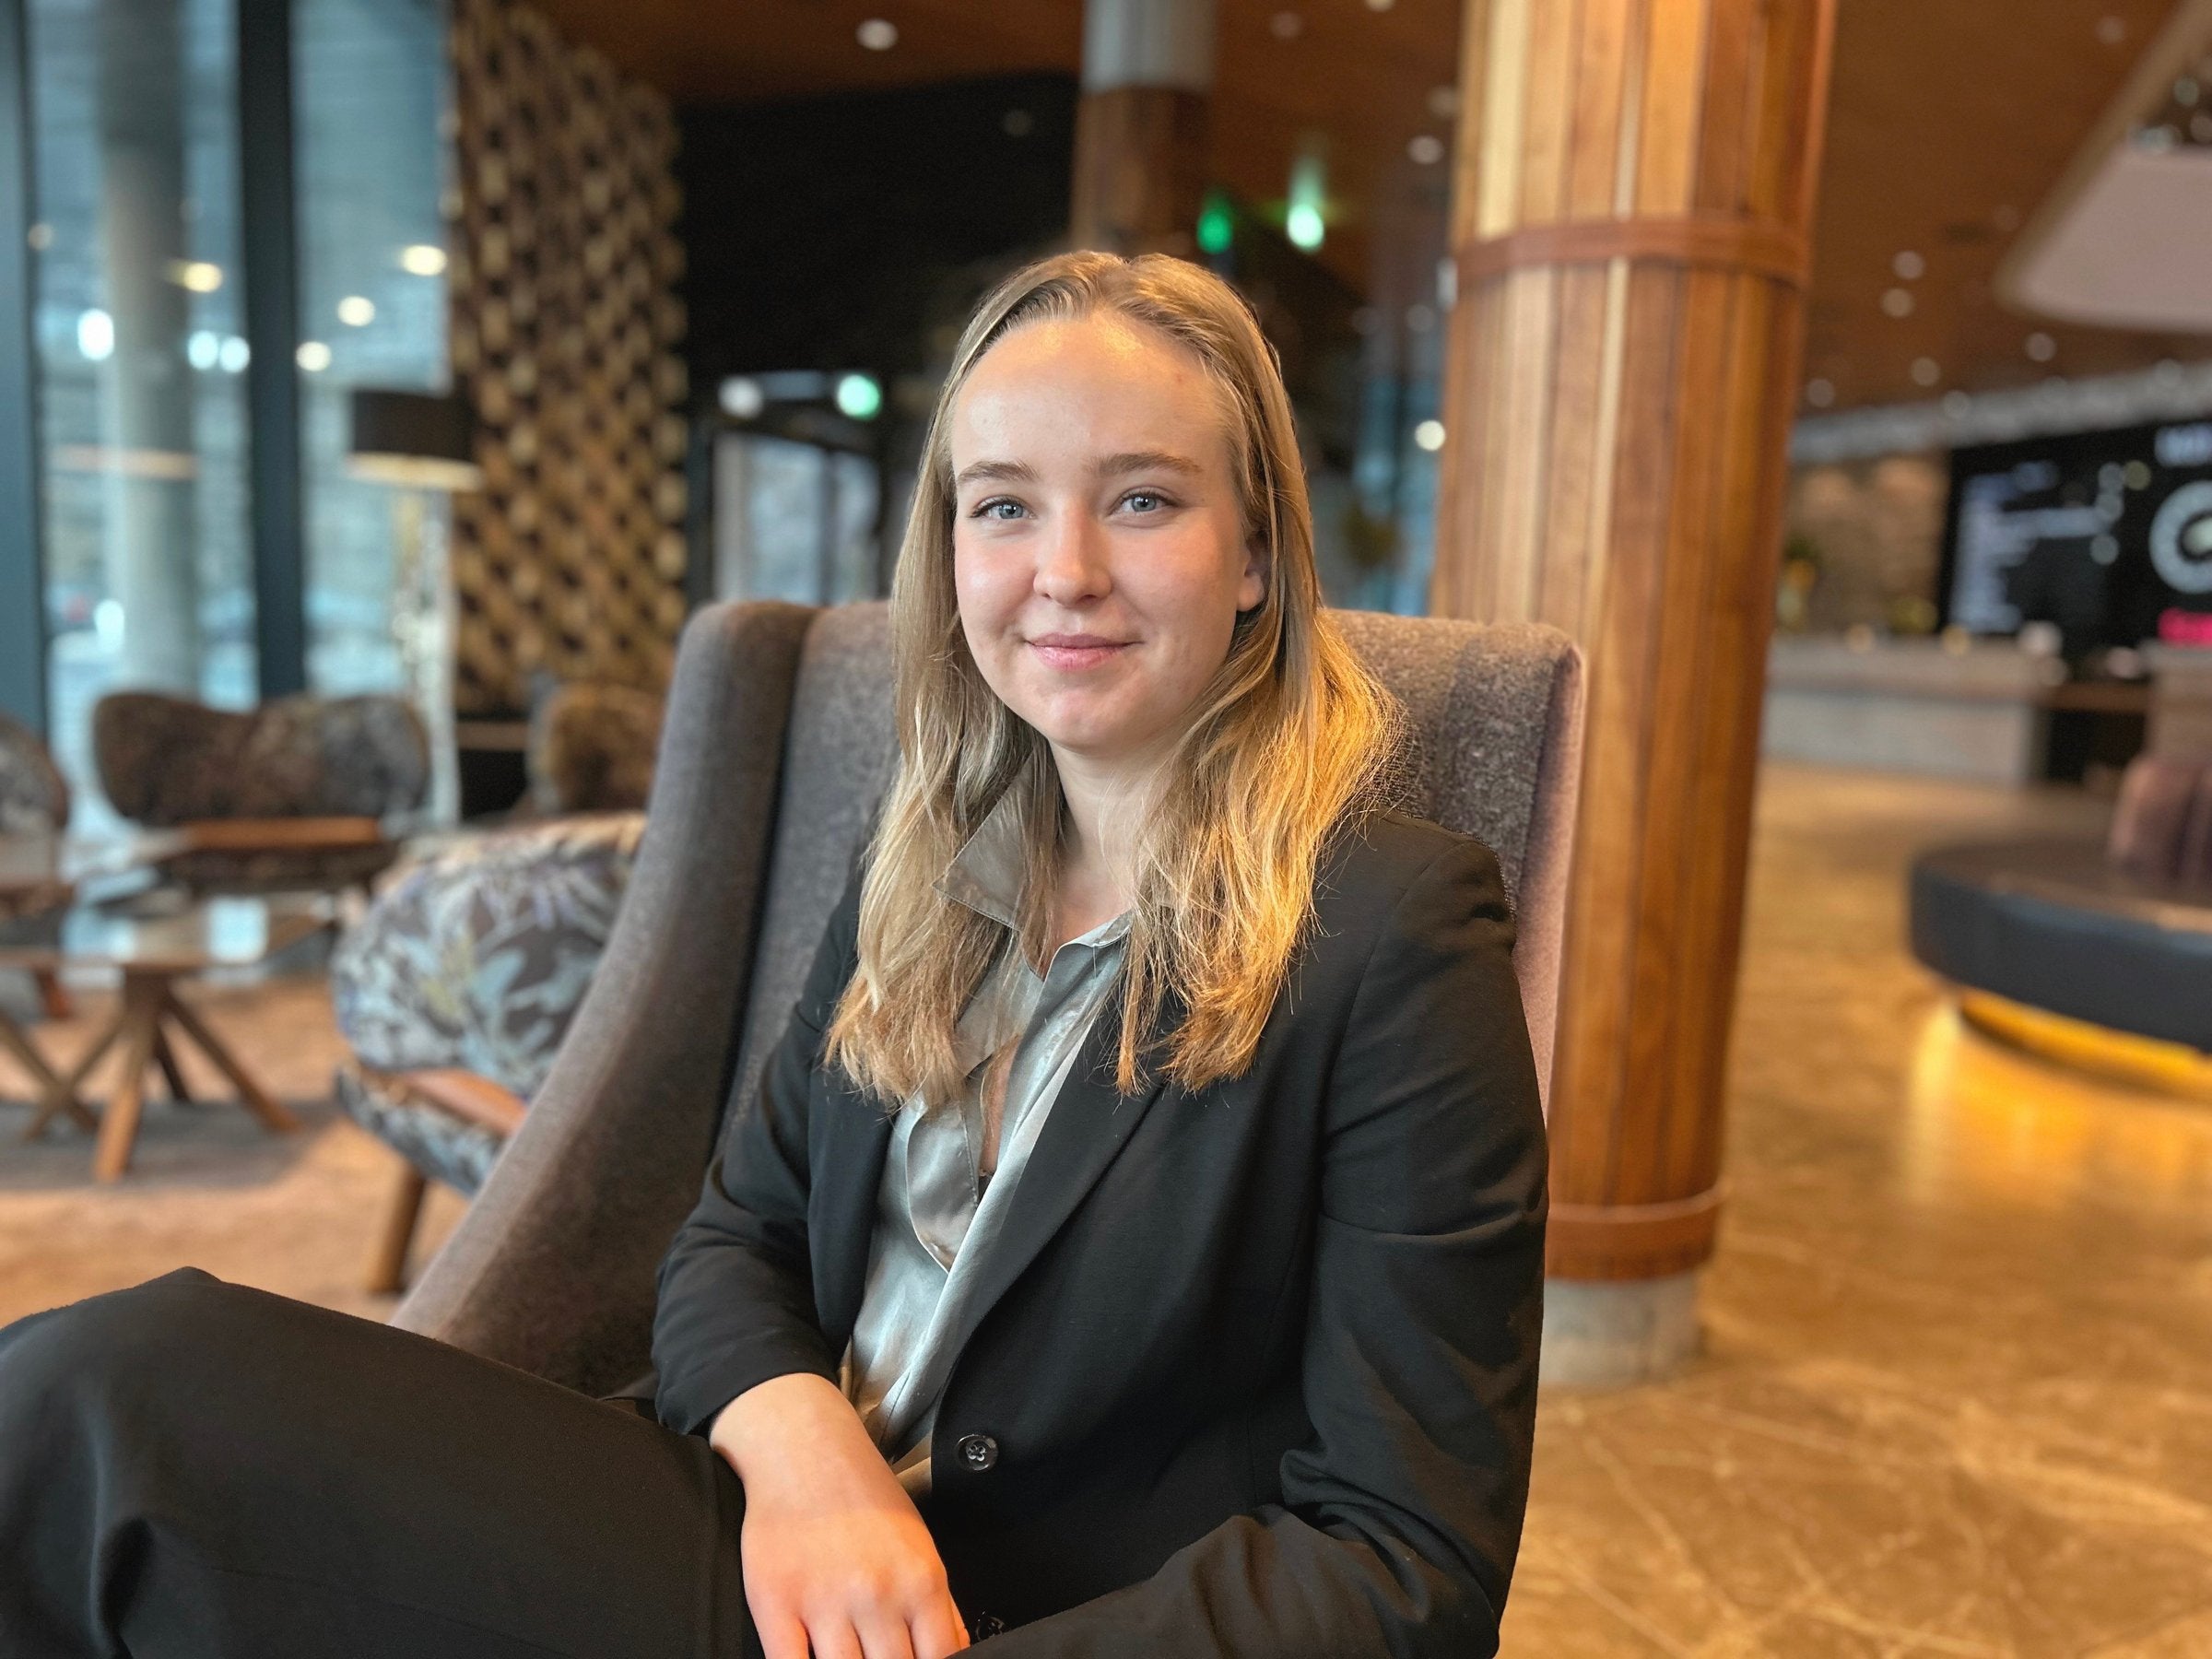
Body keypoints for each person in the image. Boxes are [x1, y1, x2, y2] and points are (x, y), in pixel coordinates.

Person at [0, 251, 1547, 1659]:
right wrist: (807, 1454)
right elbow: (736, 1238)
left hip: (1016, 1623)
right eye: (1003, 504)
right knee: (116, 1394)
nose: (1063, 568)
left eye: (1142, 500)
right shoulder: (924, 866)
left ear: (1258, 553)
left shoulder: (1394, 929)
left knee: (112, 1418)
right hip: (746, 1525)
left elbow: (1405, 1556)